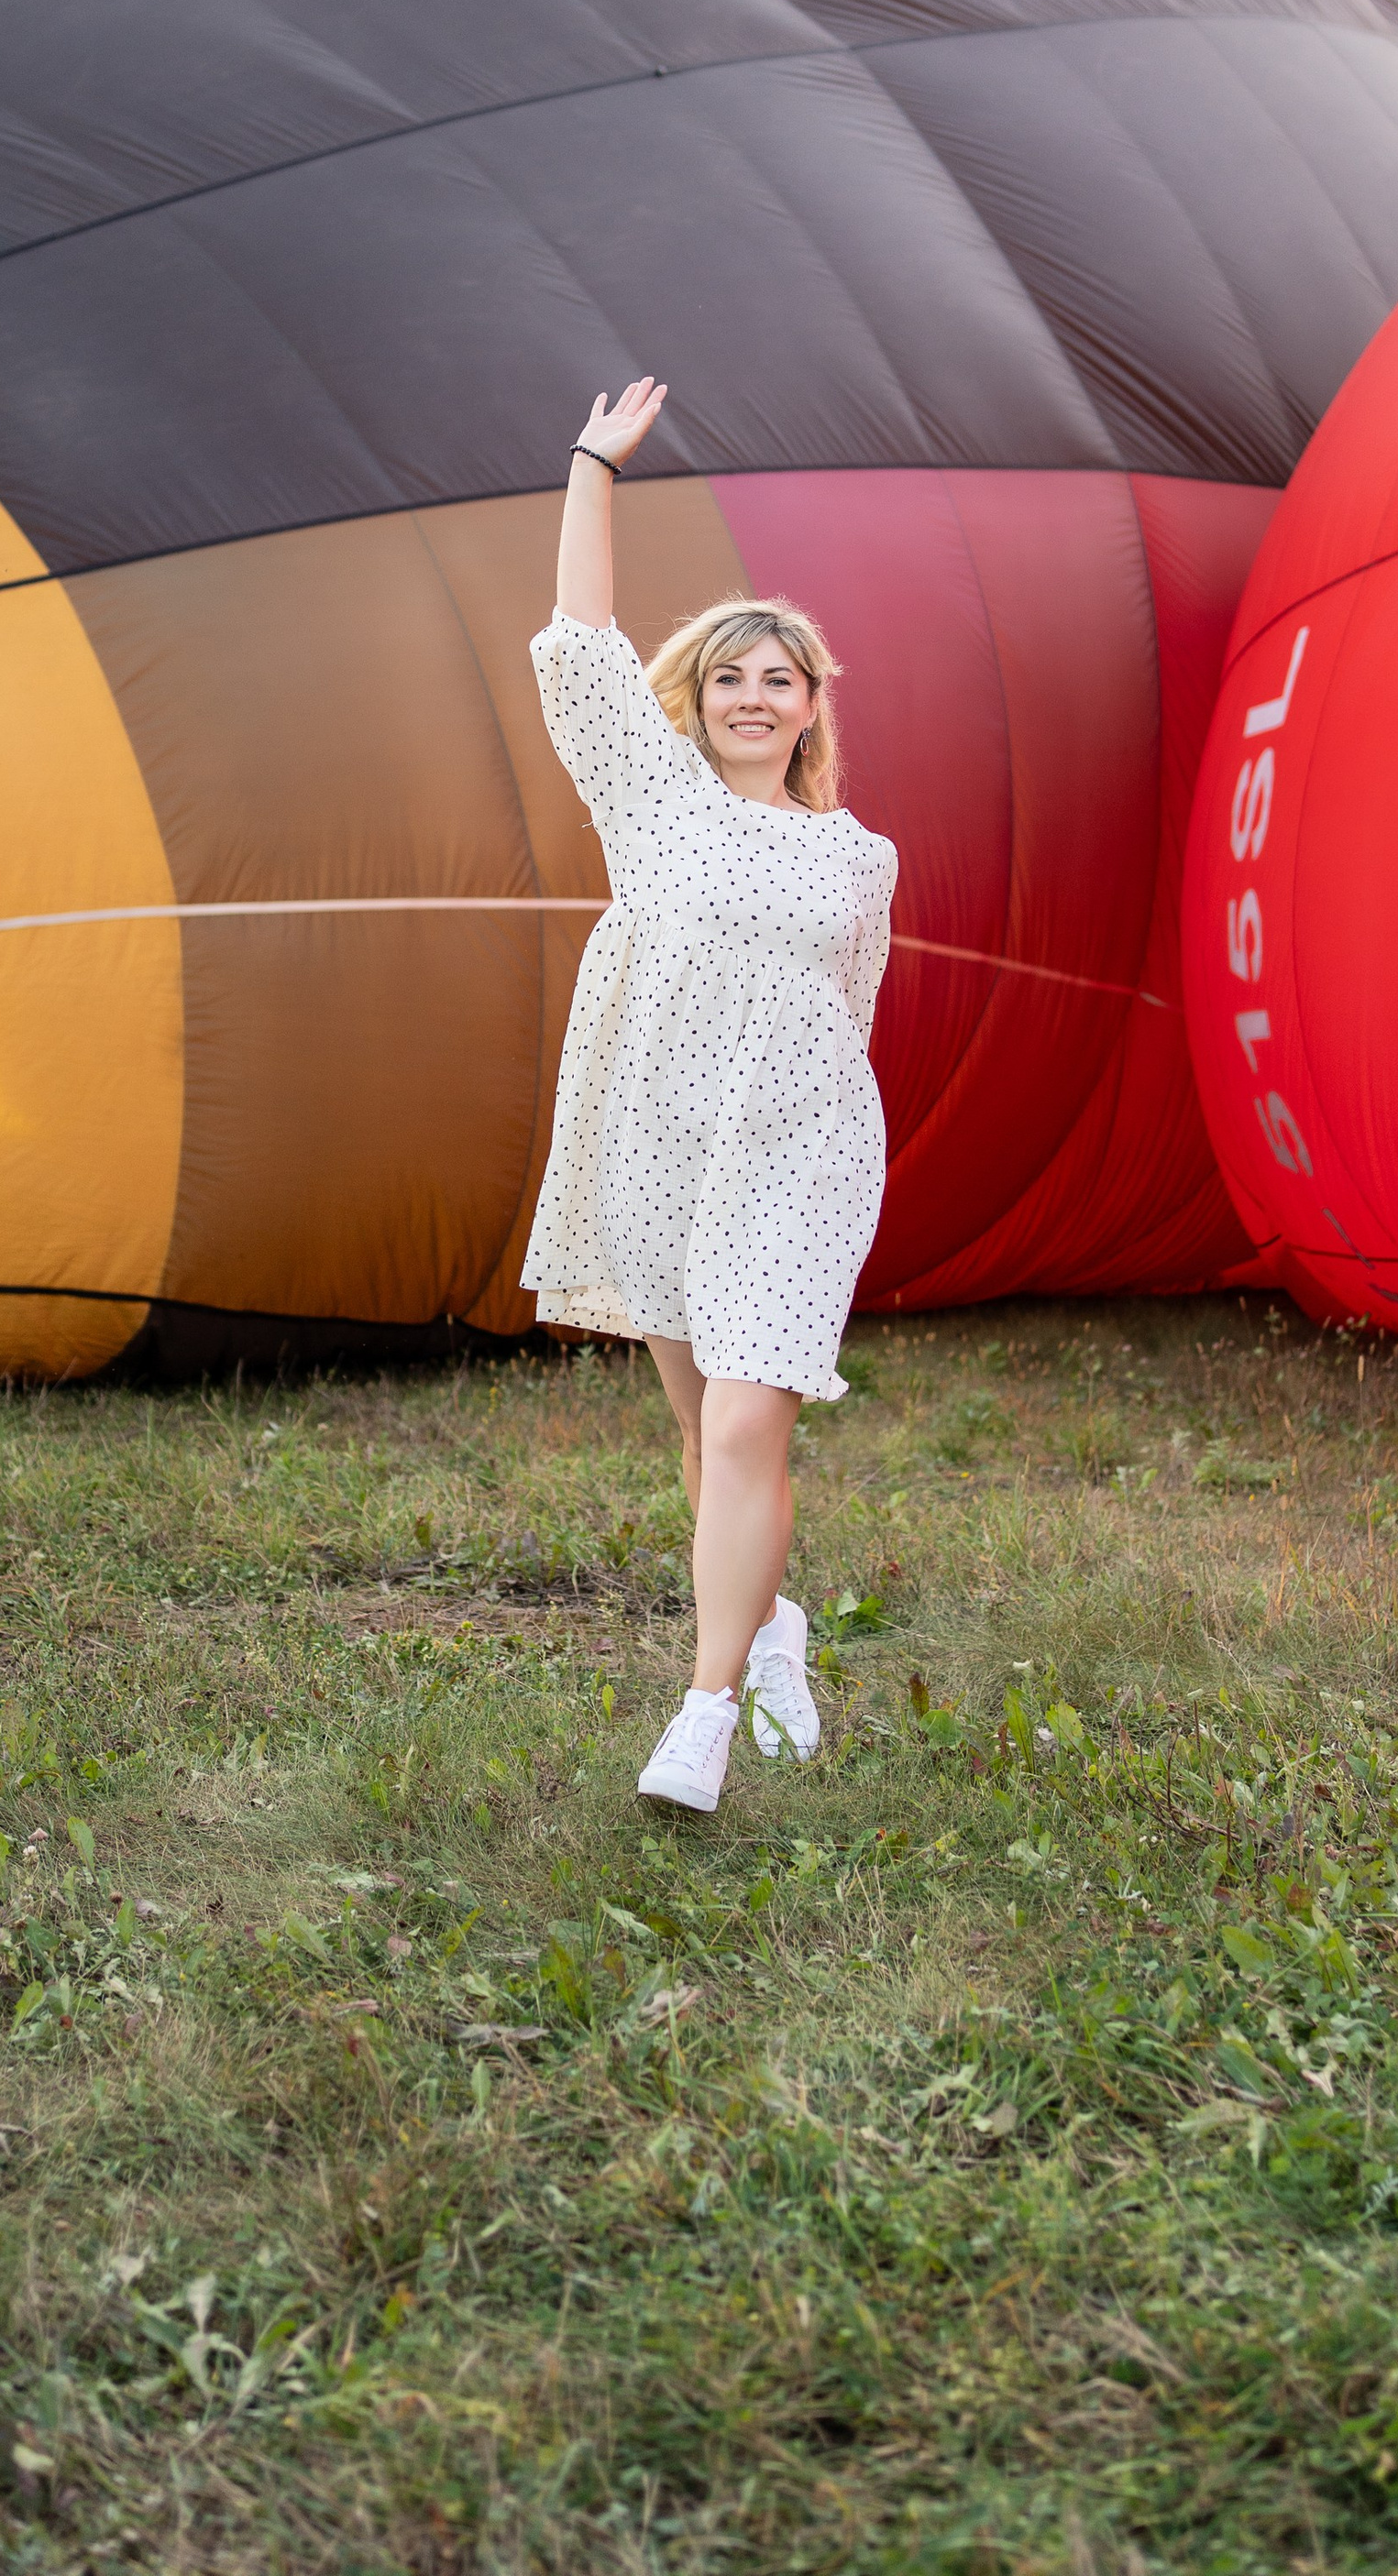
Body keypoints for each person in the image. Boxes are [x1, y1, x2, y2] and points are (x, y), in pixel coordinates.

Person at [523, 377, 898, 1813]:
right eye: (732, 676)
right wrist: (591, 467)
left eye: (780, 679)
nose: (754, 696)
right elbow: (579, 642)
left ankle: (705, 1706)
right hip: (658, 1136)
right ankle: (769, 1621)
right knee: (697, 1433)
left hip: (798, 1150)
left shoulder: (858, 856)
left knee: (749, 1426)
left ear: (810, 710)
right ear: (700, 702)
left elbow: (844, 1012)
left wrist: (810, 1130)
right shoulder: (651, 801)